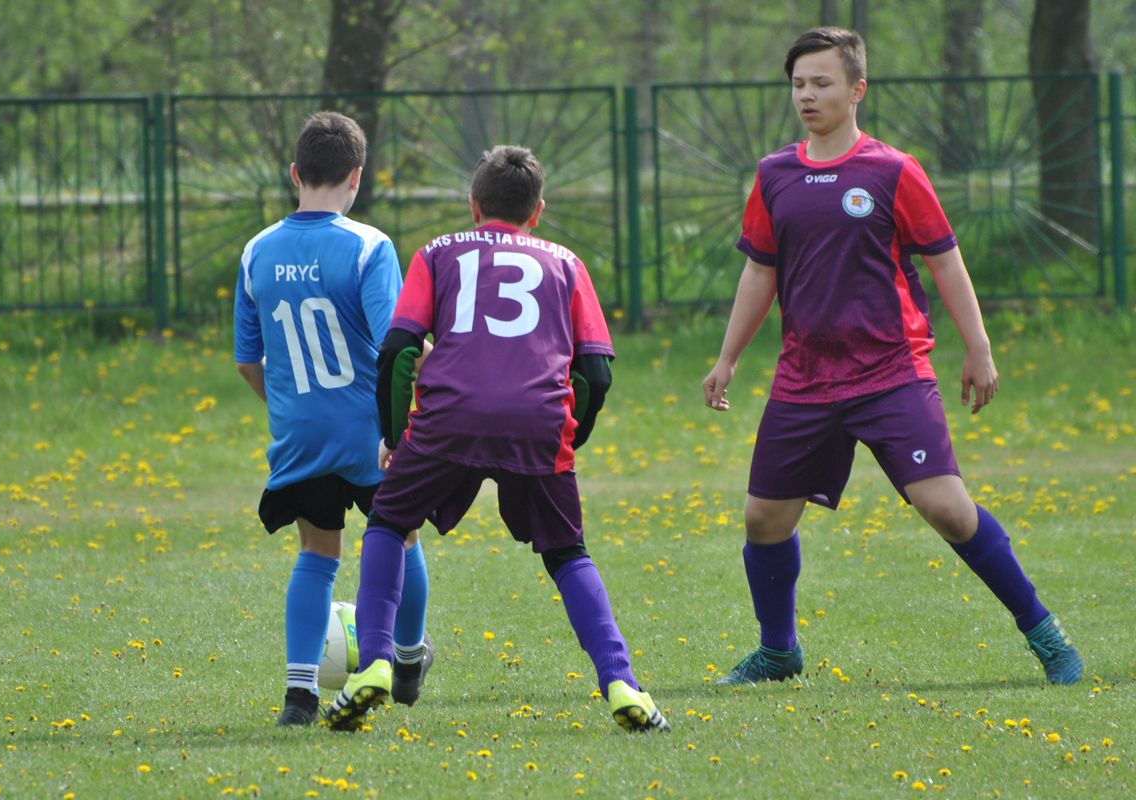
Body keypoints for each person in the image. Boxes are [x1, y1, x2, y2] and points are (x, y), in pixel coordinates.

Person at [701, 28, 1082, 687]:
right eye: (798, 84)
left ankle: (1044, 632)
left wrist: (979, 348)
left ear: (857, 90)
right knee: (763, 520)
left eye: (821, 83)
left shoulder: (893, 171)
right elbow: (760, 272)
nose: (807, 95)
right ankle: (779, 651)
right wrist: (727, 357)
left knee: (949, 510)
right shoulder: (773, 175)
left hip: (890, 373)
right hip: (804, 377)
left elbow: (946, 262)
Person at [325, 145, 669, 733]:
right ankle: (621, 683)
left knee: (388, 523)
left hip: (449, 418)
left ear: (473, 205)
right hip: (538, 424)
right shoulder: (567, 263)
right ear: (538, 211)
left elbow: (399, 349)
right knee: (567, 553)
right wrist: (568, 438)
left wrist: (393, 434)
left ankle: (376, 663)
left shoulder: (437, 253)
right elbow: (596, 372)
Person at [234, 111, 434, 727]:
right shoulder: (368, 246)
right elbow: (397, 343)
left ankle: (299, 696)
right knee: (400, 537)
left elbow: (246, 360)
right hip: (370, 433)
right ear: (356, 176)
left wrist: (291, 406)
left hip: (301, 434)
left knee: (317, 554)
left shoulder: (257, 250)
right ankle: (407, 657)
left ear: (295, 173)